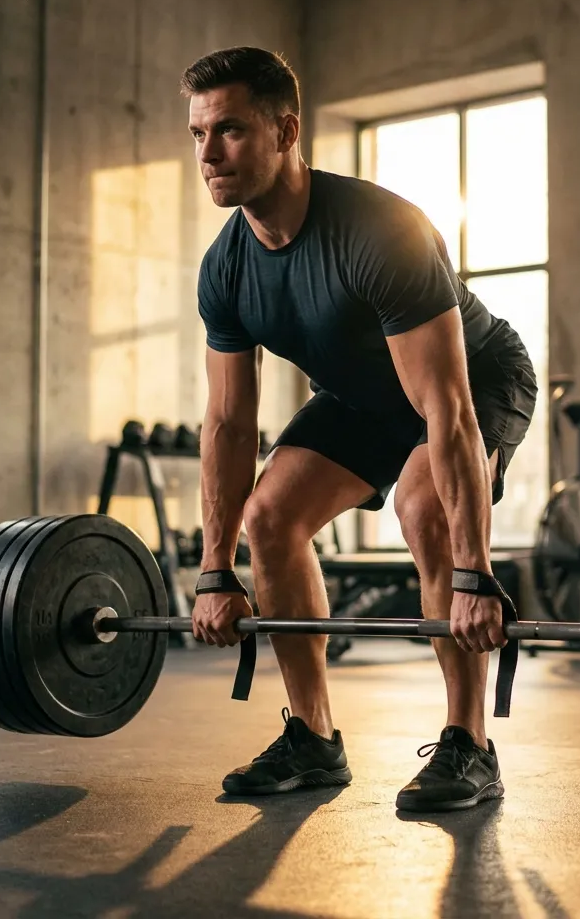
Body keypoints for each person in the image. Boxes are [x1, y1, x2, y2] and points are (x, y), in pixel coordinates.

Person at [184, 46, 537, 813]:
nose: (209, 154)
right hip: (359, 396)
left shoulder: (381, 230)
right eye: (199, 135)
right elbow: (228, 423)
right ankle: (313, 738)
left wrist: (475, 575)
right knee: (269, 516)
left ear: (286, 130)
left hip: (476, 379)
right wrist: (217, 569)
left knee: (423, 505)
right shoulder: (227, 269)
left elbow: (447, 410)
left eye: (231, 130)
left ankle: (470, 744)